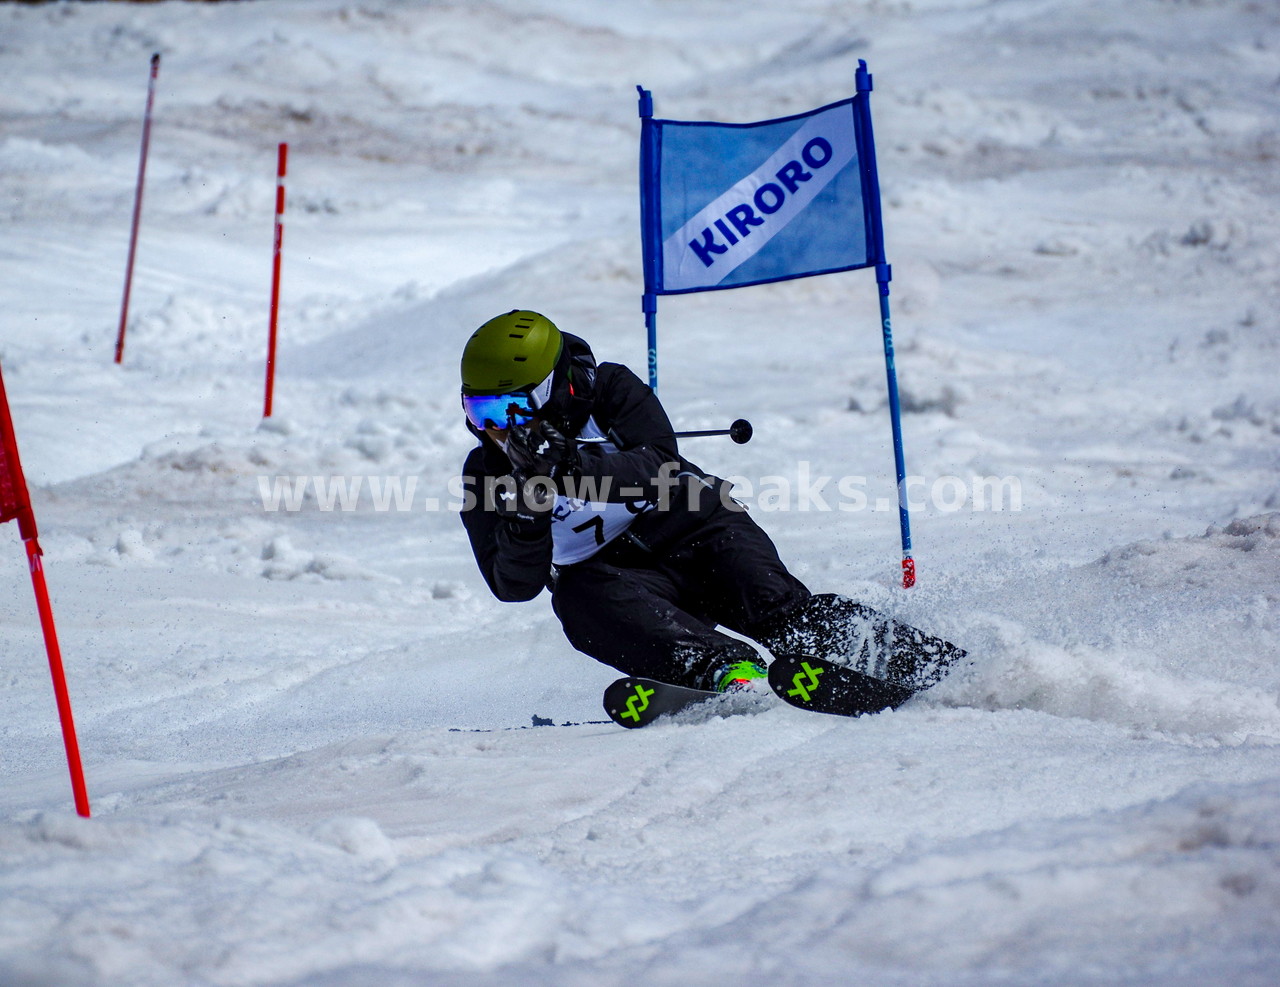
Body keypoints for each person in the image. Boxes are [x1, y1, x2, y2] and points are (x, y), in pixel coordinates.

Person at [459, 310, 964, 695]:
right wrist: (528, 516)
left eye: (511, 405)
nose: (499, 426)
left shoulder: (610, 390)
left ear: (552, 386)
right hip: (609, 580)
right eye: (479, 410)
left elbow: (661, 470)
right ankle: (727, 671)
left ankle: (926, 666)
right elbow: (513, 587)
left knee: (778, 609)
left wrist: (570, 467)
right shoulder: (485, 473)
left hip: (694, 529)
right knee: (577, 603)